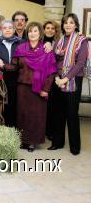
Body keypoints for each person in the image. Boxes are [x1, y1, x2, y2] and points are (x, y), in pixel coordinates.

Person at [48, 13, 88, 155]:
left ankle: (75, 146)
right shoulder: (60, 41)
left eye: (71, 22)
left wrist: (66, 78)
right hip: (58, 78)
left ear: (76, 25)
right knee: (58, 113)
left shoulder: (82, 40)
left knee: (71, 113)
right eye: (65, 22)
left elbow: (80, 63)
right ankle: (57, 143)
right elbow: (55, 58)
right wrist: (58, 77)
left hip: (73, 80)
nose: (68, 25)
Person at [13, 22, 57, 152]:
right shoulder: (21, 48)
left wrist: (46, 89)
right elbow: (14, 66)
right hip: (23, 87)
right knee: (23, 114)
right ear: (27, 33)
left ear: (40, 34)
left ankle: (33, 141)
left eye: (35, 31)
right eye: (30, 31)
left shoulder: (46, 50)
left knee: (36, 115)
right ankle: (23, 140)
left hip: (39, 89)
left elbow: (51, 72)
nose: (32, 33)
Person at [43, 20, 61, 140]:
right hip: (41, 77)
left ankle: (49, 131)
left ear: (55, 31)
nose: (50, 30)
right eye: (47, 28)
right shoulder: (38, 42)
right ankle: (41, 130)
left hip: (54, 77)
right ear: (43, 30)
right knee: (41, 105)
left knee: (52, 106)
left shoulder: (59, 43)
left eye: (52, 28)